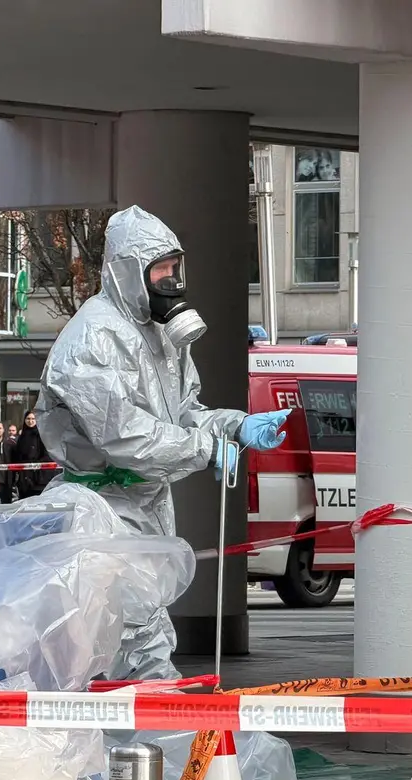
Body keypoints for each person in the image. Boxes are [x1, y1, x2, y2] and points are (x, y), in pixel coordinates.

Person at [37, 205, 291, 535]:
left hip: (148, 507)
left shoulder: (161, 335)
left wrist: (234, 426)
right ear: (128, 272)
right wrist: (206, 449)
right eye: (160, 269)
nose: (171, 278)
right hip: (97, 515)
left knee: (156, 586)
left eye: (175, 266)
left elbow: (181, 413)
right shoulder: (92, 336)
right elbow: (123, 435)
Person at [10, 410, 55, 500]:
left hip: (39, 477)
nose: (30, 421)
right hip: (24, 478)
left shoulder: (42, 435)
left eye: (33, 419)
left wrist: (37, 467)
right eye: (28, 419)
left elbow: (47, 455)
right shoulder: (22, 437)